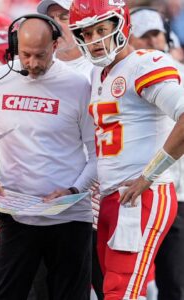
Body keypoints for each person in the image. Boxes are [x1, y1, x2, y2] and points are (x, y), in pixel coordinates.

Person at [0, 14, 97, 300]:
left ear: (55, 45)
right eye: (25, 55)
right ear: (15, 46)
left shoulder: (79, 85)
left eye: (40, 55)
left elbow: (98, 153)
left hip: (70, 217)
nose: (32, 63)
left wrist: (73, 190)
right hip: (17, 214)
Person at [69, 0, 184, 299]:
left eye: (101, 30)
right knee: (112, 288)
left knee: (123, 292)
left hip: (141, 194)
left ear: (120, 26)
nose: (94, 40)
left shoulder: (144, 63)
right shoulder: (98, 75)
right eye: (86, 33)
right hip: (112, 197)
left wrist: (149, 175)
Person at [38, 1, 103, 299]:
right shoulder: (35, 68)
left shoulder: (100, 68)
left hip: (97, 198)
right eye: (50, 18)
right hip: (47, 201)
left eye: (64, 17)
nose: (57, 25)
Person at [130, 7, 184, 300]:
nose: (152, 41)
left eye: (156, 34)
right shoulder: (125, 75)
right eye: (144, 36)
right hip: (141, 189)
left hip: (175, 191)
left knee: (173, 279)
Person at [37, 0, 93, 82]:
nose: (55, 25)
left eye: (64, 18)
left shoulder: (98, 68)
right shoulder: (35, 65)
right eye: (50, 19)